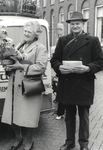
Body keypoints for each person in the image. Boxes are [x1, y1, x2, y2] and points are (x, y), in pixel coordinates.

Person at [50, 11, 103, 150]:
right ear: (70, 25)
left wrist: (87, 68)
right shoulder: (62, 40)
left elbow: (100, 62)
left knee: (84, 117)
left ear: (82, 24)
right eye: (72, 24)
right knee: (69, 117)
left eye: (77, 23)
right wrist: (59, 68)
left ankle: (84, 145)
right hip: (67, 84)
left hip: (84, 84)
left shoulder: (93, 40)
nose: (75, 26)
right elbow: (54, 60)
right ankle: (70, 143)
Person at [1, 20, 48, 150]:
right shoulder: (19, 46)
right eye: (25, 31)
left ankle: (29, 141)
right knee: (13, 114)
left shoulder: (40, 48)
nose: (26, 34)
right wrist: (8, 67)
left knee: (28, 117)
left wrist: (21, 66)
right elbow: (12, 62)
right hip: (14, 86)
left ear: (35, 34)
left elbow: (41, 67)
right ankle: (18, 138)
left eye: (29, 32)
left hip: (29, 87)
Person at [54, 23, 65, 120]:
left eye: (58, 29)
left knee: (61, 91)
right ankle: (60, 112)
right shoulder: (59, 38)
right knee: (60, 90)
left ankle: (60, 112)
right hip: (60, 69)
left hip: (63, 69)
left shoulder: (62, 39)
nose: (57, 30)